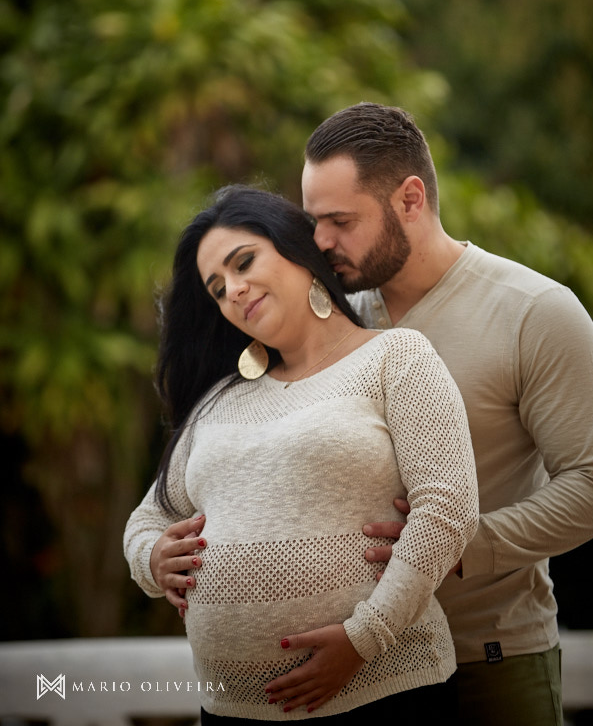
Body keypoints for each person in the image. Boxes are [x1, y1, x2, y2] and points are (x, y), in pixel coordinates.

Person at [297, 101, 593, 726]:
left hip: (489, 661)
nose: (320, 242)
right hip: (356, 674)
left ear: (411, 199)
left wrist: (456, 548)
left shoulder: (535, 312)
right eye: (314, 221)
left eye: (340, 220)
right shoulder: (334, 319)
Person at [124, 184, 478, 723]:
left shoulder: (394, 357)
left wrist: (364, 640)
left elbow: (448, 509)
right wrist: (150, 559)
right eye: (217, 288)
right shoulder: (218, 402)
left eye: (244, 263)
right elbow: (149, 517)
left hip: (383, 691)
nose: (235, 291)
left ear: (298, 251)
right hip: (233, 708)